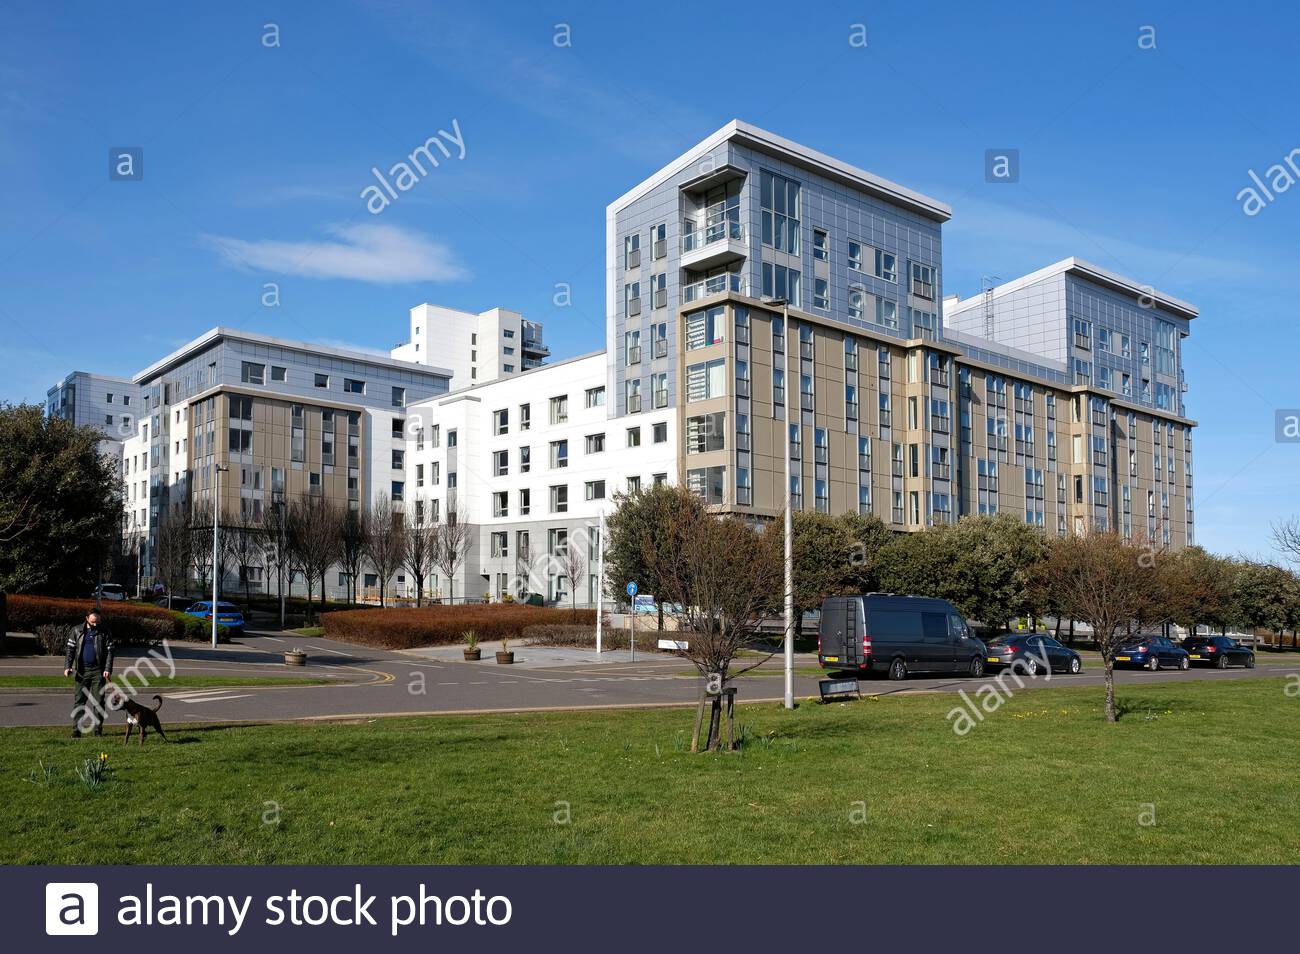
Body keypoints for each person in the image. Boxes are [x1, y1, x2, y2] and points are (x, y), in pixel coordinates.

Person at [64, 612, 114, 737]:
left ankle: (98, 730)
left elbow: (110, 652)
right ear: (86, 619)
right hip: (81, 672)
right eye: (92, 622)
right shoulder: (76, 630)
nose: (95, 624)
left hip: (99, 671)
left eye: (97, 621)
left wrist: (107, 668)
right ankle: (76, 731)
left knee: (99, 701)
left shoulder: (105, 631)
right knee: (79, 701)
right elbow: (70, 650)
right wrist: (67, 666)